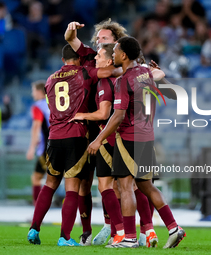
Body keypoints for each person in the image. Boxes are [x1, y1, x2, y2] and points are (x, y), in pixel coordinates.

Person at [65, 20, 158, 247]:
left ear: (116, 45)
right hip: (114, 131)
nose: (98, 43)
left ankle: (135, 230)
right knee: (115, 184)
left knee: (127, 184)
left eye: (104, 40)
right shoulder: (100, 61)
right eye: (97, 39)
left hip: (118, 130)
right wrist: (71, 30)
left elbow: (152, 74)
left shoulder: (120, 68)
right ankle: (126, 229)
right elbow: (70, 39)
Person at [88, 36, 186, 248]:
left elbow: (118, 116)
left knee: (125, 187)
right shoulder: (146, 74)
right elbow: (174, 94)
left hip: (129, 138)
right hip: (147, 137)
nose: (113, 54)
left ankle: (130, 237)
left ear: (123, 55)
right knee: (146, 185)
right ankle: (174, 227)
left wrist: (98, 139)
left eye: (115, 51)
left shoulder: (124, 80)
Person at [27, 44, 105, 246]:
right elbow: (109, 71)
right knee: (72, 188)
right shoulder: (85, 73)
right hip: (76, 135)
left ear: (62, 61)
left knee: (49, 184)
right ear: (79, 59)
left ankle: (34, 229)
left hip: (54, 137)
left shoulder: (50, 79)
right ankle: (65, 237)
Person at [26, 80, 50, 205]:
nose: (32, 94)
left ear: (40, 92)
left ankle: (38, 210)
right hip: (63, 145)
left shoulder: (38, 106)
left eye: (33, 91)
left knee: (36, 178)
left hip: (47, 149)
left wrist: (31, 148)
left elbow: (36, 127)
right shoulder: (54, 104)